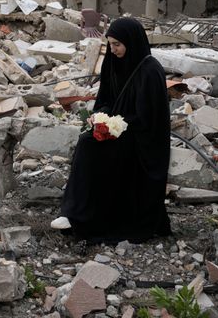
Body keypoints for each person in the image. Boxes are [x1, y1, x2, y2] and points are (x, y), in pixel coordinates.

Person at [50, 17, 172, 243]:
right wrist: (100, 117)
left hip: (141, 138)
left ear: (131, 42)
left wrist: (119, 124)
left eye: (118, 45)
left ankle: (80, 214)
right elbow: (106, 98)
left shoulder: (150, 70)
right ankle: (76, 212)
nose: (113, 50)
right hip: (116, 128)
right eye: (111, 44)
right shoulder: (113, 63)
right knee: (87, 141)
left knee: (92, 148)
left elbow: (151, 119)